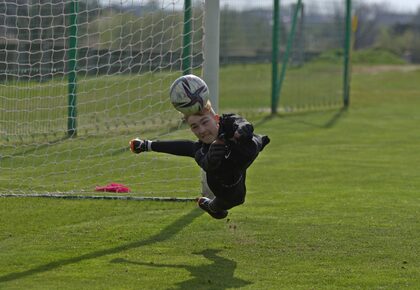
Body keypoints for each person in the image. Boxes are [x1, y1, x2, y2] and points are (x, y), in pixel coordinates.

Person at [129, 82, 269, 220]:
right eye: (195, 127)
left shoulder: (227, 123)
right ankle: (213, 207)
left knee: (253, 142)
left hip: (244, 153)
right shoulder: (201, 151)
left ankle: (147, 145)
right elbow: (198, 157)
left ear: (216, 119)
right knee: (235, 199)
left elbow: (238, 121)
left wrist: (244, 127)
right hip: (225, 184)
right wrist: (212, 159)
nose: (201, 130)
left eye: (204, 122)